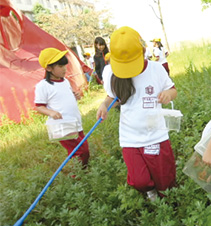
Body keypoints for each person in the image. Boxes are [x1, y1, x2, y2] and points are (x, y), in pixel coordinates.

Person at [97, 27, 177, 201]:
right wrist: (104, 105)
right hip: (130, 137)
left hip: (156, 134)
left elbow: (172, 90)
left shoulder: (156, 69)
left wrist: (167, 95)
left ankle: (168, 202)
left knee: (165, 177)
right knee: (139, 179)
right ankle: (150, 191)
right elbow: (113, 96)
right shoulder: (112, 73)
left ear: (142, 51)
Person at [35, 48, 90, 167]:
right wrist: (51, 112)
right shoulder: (43, 86)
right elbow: (39, 107)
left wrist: (74, 96)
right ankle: (77, 177)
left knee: (83, 150)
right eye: (60, 66)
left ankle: (83, 173)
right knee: (81, 151)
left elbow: (64, 97)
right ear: (49, 68)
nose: (65, 69)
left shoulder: (65, 81)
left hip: (74, 122)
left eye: (65, 65)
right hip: (62, 125)